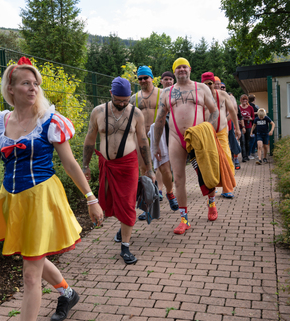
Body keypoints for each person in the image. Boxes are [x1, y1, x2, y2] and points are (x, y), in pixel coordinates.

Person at [0, 57, 104, 321]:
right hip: (12, 201)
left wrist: (90, 198)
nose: (33, 88)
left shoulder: (50, 120)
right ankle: (67, 293)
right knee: (31, 255)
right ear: (11, 88)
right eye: (25, 83)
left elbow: (71, 164)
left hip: (41, 199)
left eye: (36, 84)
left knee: (30, 275)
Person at [82, 77, 155, 264]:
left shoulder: (136, 114)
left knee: (128, 203)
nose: (123, 104)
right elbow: (90, 140)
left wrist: (149, 168)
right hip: (107, 165)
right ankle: (123, 227)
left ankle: (125, 247)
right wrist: (85, 165)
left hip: (128, 165)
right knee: (112, 201)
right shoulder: (98, 112)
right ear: (111, 94)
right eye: (118, 100)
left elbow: (143, 142)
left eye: (126, 100)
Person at [153, 58, 219, 234]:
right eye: (178, 67)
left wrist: (209, 130)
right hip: (176, 138)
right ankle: (184, 219)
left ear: (190, 69)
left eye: (184, 67)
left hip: (198, 137)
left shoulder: (202, 88)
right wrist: (155, 146)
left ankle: (211, 203)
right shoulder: (167, 92)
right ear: (174, 72)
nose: (181, 69)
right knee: (179, 179)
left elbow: (214, 111)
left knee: (205, 172)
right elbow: (159, 120)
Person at [130, 66, 178, 220]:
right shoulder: (134, 98)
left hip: (159, 135)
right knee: (145, 171)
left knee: (164, 169)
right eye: (140, 78)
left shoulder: (163, 93)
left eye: (146, 77)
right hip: (141, 137)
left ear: (152, 78)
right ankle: (148, 206)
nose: (143, 80)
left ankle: (170, 193)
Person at [202, 72, 240, 199]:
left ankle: (227, 188)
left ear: (214, 84)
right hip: (207, 133)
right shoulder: (199, 97)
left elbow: (233, 112)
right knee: (210, 161)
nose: (208, 86)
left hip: (222, 132)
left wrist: (238, 129)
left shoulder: (223, 95)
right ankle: (212, 186)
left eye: (210, 83)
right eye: (205, 84)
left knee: (227, 158)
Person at [238, 95, 255, 162]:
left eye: (246, 100)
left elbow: (253, 117)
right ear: (240, 100)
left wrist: (250, 118)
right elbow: (236, 116)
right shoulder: (238, 107)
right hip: (240, 127)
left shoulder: (250, 108)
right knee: (242, 141)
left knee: (248, 141)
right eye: (243, 99)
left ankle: (247, 155)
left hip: (248, 126)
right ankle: (244, 156)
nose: (244, 101)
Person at [247, 94, 260, 159]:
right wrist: (257, 112)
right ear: (254, 99)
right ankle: (249, 154)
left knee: (254, 139)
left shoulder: (252, 106)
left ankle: (252, 153)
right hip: (252, 125)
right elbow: (251, 113)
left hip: (253, 125)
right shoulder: (250, 106)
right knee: (252, 140)